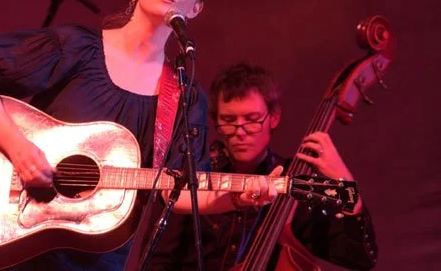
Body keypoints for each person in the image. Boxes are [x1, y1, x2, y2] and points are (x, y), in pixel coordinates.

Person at [0, 0, 278, 270]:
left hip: (95, 259)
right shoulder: (76, 48)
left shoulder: (184, 95)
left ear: (195, 7)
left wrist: (237, 198)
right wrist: (18, 148)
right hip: (11, 233)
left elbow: (177, 189)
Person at [149, 62, 378, 270]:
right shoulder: (195, 177)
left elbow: (360, 259)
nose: (240, 132)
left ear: (274, 117)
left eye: (251, 119)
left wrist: (346, 183)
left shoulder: (293, 184)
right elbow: (157, 261)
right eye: (229, 120)